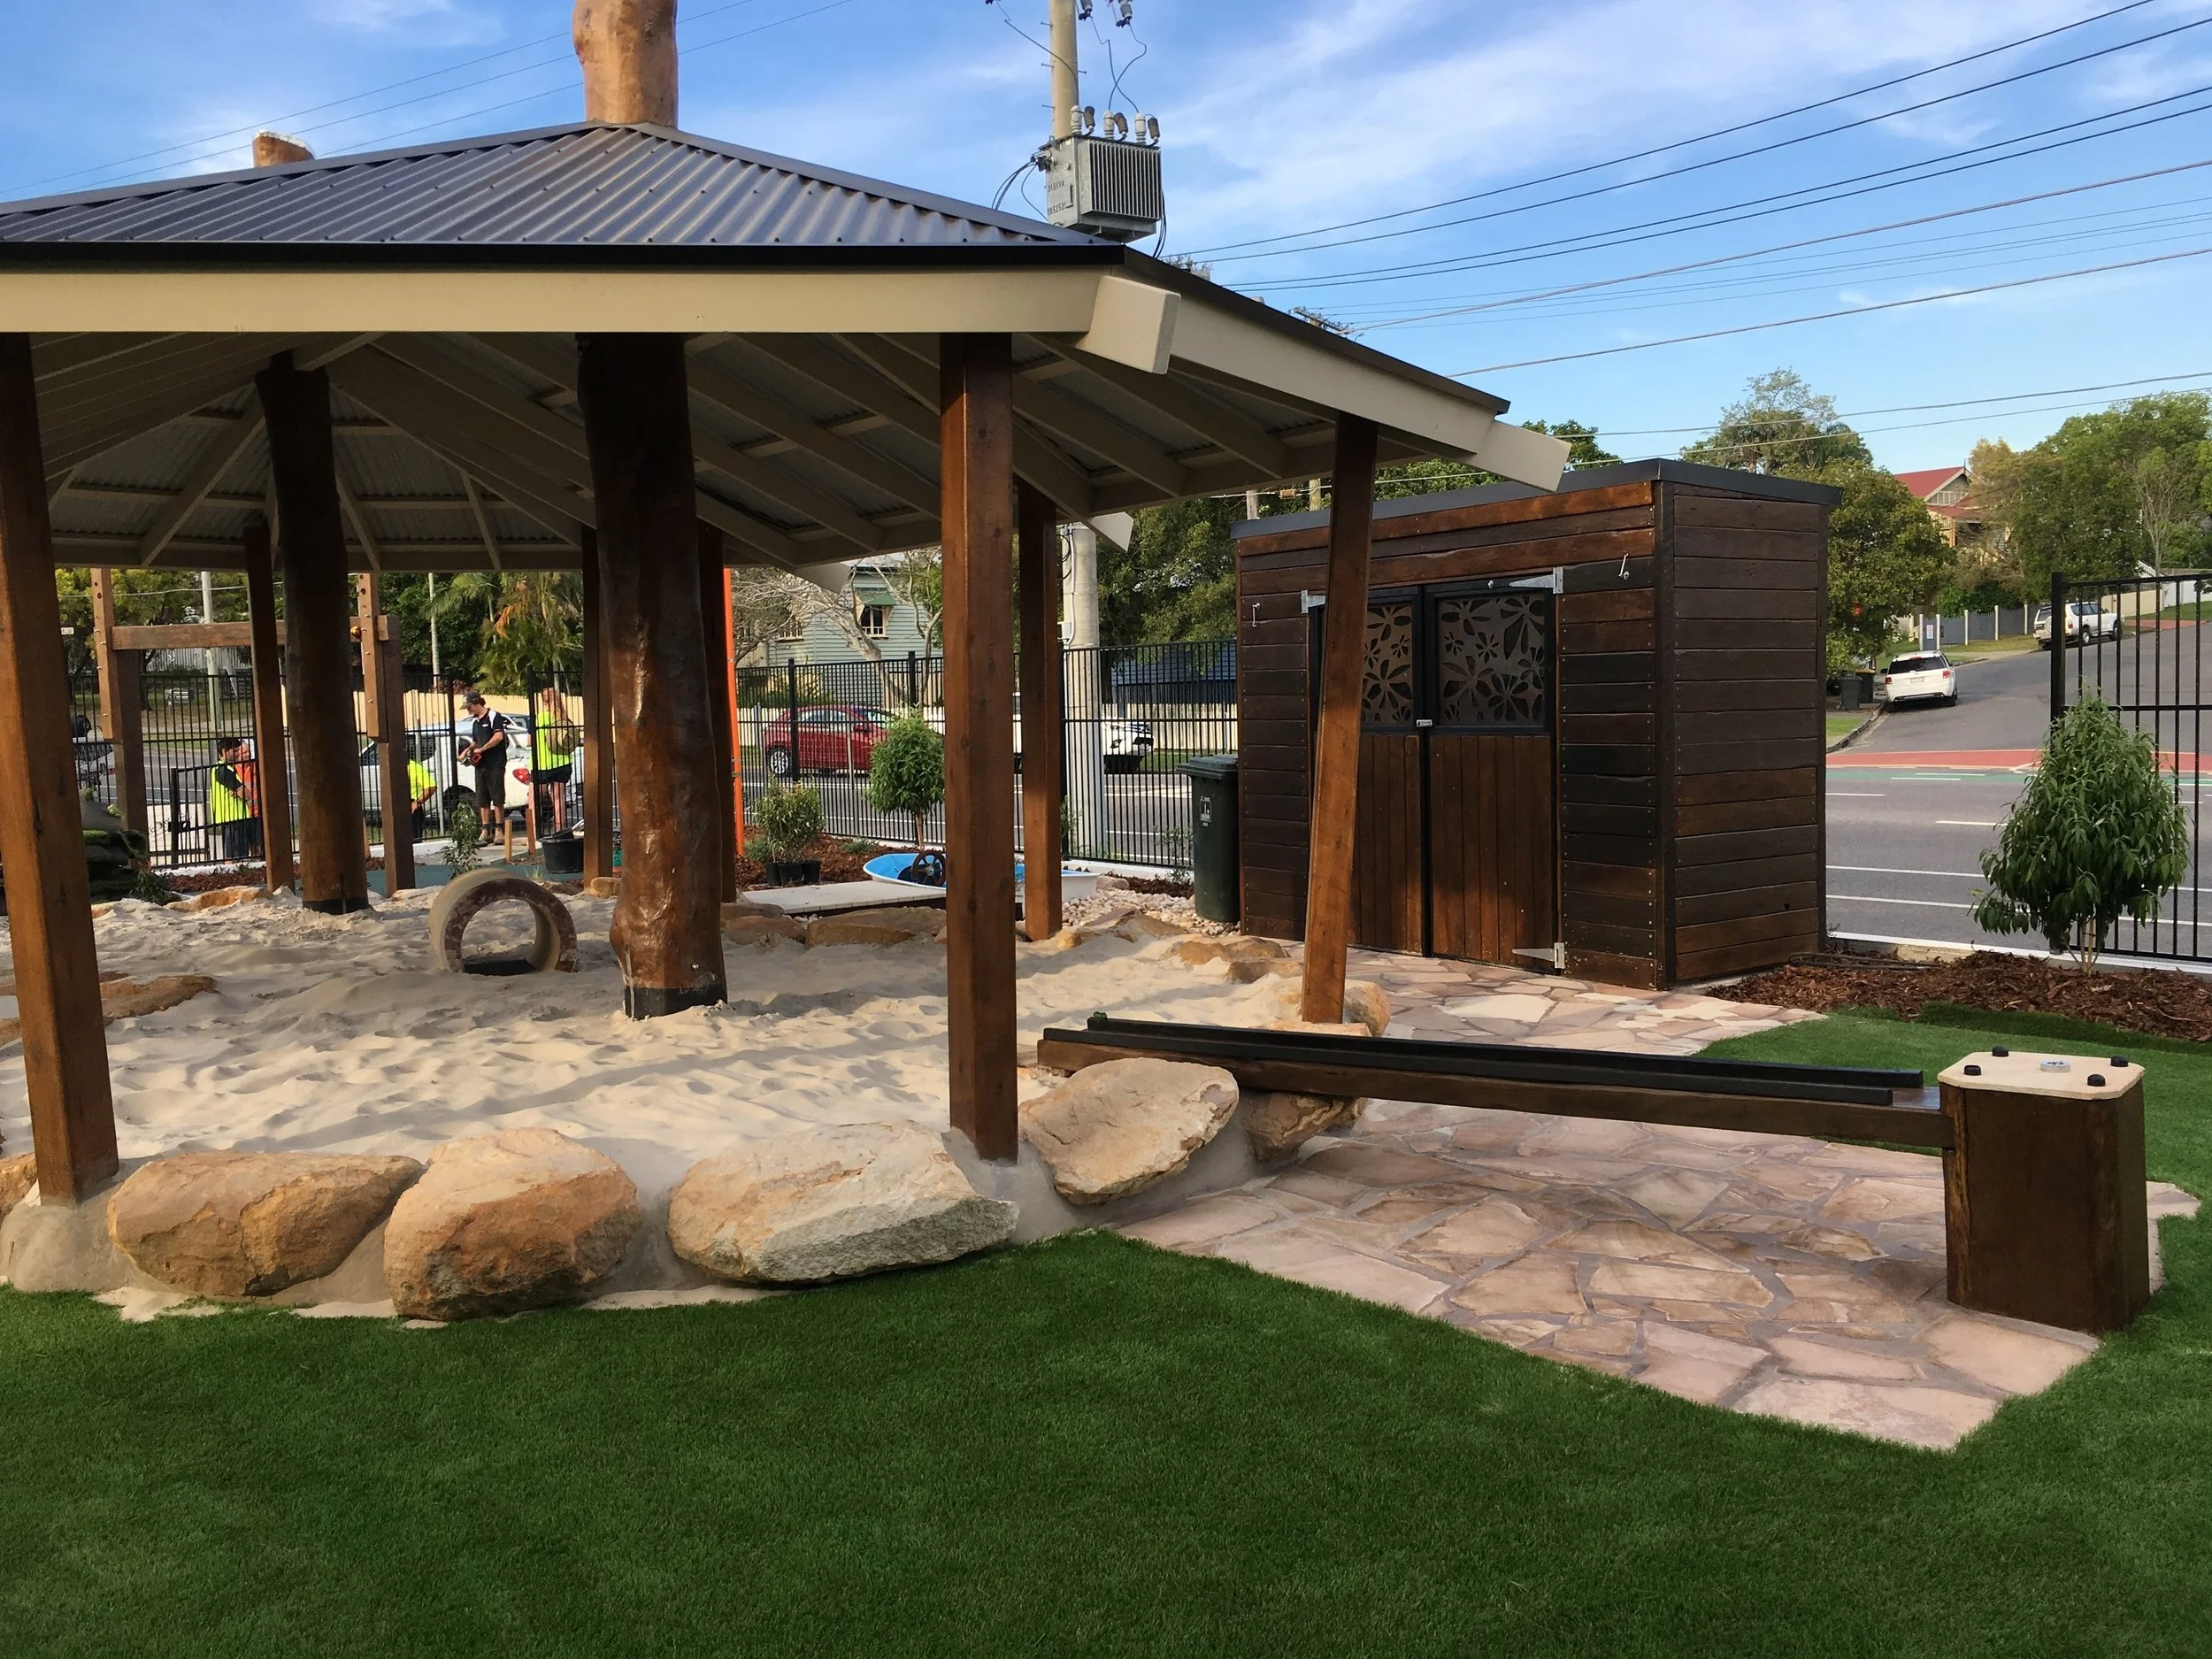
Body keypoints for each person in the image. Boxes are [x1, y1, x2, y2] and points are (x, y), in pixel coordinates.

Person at [458, 693, 508, 840]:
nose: (469, 710)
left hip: (495, 764)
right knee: (482, 798)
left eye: (470, 707)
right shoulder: (475, 723)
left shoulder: (494, 716)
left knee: (498, 797)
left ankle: (499, 830)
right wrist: (467, 750)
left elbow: (498, 737)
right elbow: (475, 742)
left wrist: (483, 748)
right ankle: (485, 830)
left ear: (476, 703)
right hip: (480, 766)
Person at [208, 735, 258, 863]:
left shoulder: (224, 769)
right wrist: (244, 792)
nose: (238, 754)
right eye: (235, 751)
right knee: (234, 857)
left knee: (238, 854)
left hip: (234, 818)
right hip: (232, 818)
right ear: (225, 752)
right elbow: (246, 795)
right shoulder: (224, 771)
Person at [532, 686, 573, 833]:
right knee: (558, 798)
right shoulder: (564, 718)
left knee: (534, 797)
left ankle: (535, 831)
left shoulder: (541, 718)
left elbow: (530, 741)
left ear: (544, 702)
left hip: (543, 763)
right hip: (563, 762)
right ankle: (559, 829)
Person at [406, 756, 438, 846]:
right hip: (396, 806)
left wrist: (418, 802)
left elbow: (431, 786)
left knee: (413, 842)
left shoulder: (414, 767)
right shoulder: (391, 767)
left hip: (412, 806)